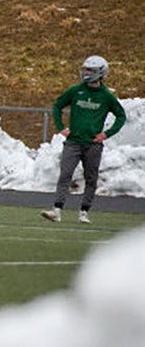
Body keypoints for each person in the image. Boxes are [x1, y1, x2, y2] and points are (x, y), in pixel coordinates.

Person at [40, 55, 126, 224]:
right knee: (65, 175)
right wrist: (61, 127)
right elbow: (57, 106)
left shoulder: (106, 96)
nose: (85, 73)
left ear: (100, 73)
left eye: (90, 70)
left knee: (91, 178)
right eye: (85, 69)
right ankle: (56, 210)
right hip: (73, 142)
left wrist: (106, 134)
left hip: (93, 145)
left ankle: (84, 212)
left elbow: (121, 116)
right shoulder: (75, 91)